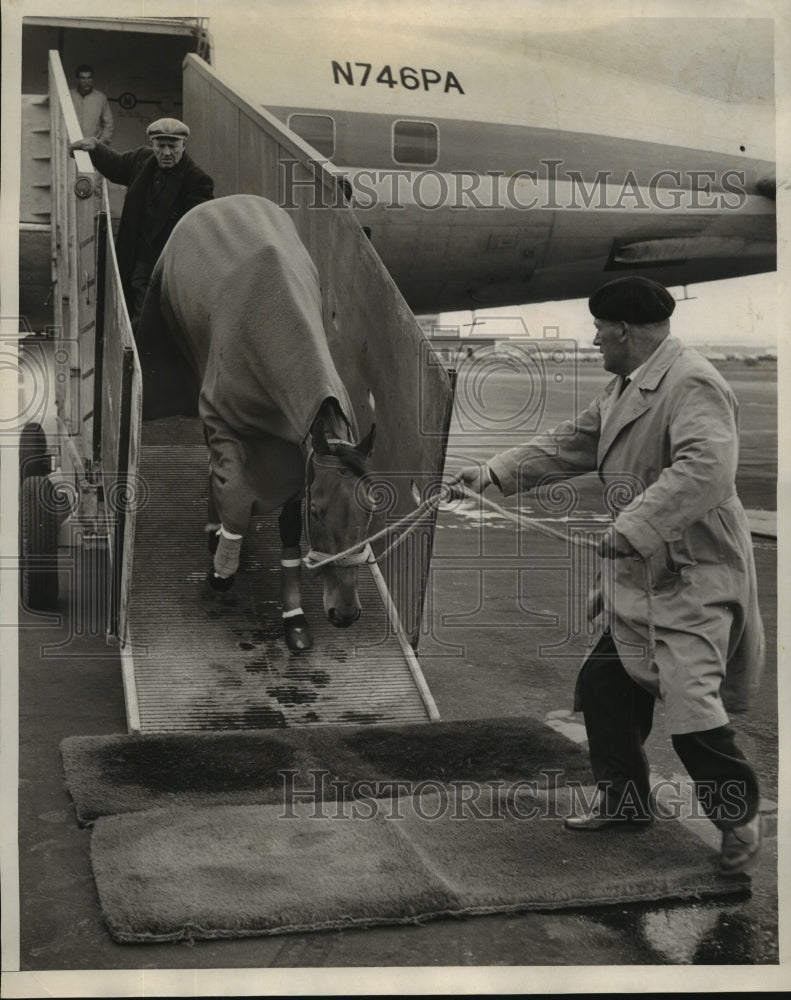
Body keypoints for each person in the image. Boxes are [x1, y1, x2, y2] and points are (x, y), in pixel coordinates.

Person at [451, 275, 765, 876]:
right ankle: (624, 801)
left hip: (691, 570)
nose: (594, 340)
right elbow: (572, 443)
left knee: (691, 704)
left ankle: (738, 816)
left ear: (622, 330)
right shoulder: (628, 385)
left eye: (599, 330)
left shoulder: (693, 381)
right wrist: (492, 473)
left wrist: (637, 526)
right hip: (643, 567)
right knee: (605, 685)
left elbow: (707, 470)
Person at [69, 118, 214, 326]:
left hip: (165, 265)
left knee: (147, 318)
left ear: (184, 145)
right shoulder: (142, 160)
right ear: (152, 144)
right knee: (132, 311)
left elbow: (201, 229)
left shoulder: (197, 181)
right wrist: (95, 147)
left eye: (172, 147)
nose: (166, 153)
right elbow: (116, 165)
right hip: (133, 256)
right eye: (160, 145)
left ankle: (139, 355)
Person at [69, 64, 114, 145]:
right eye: (83, 78)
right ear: (77, 79)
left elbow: (108, 124)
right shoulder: (69, 95)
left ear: (92, 79)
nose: (86, 82)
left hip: (93, 146)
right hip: (71, 144)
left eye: (89, 78)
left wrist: (100, 143)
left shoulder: (100, 98)